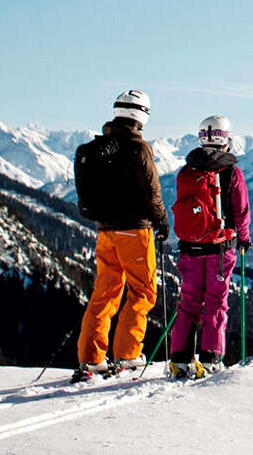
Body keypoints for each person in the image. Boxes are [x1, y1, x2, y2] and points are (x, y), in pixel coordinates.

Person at [70, 90, 167, 383]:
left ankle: (91, 358)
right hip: (134, 230)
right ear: (142, 115)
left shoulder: (100, 147)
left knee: (105, 291)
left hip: (105, 230)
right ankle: (127, 354)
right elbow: (151, 190)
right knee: (142, 291)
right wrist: (161, 219)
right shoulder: (138, 147)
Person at [166, 114, 252, 379]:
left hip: (190, 248)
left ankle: (179, 360)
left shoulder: (186, 171)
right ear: (226, 139)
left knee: (188, 303)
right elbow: (241, 210)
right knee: (216, 302)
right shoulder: (231, 172)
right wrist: (244, 238)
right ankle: (212, 358)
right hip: (219, 249)